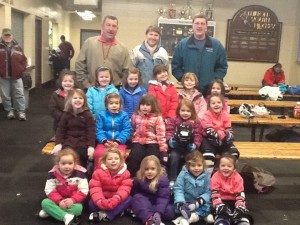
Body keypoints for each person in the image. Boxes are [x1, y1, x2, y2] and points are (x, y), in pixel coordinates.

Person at [172, 14, 228, 96]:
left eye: (202, 24)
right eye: (197, 23)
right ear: (192, 25)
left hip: (210, 92)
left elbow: (222, 67)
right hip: (189, 92)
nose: (199, 26)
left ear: (206, 26)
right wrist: (185, 80)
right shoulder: (183, 45)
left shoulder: (216, 45)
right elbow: (175, 67)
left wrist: (214, 82)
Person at [75, 15, 130, 89]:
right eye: (108, 25)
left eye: (114, 26)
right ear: (102, 26)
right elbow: (79, 65)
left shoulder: (123, 49)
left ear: (117, 29)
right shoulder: (89, 43)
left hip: (113, 91)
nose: (111, 29)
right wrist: (86, 83)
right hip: (92, 88)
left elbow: (126, 71)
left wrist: (121, 86)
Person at [39, 148, 89, 225]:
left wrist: (73, 200)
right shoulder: (52, 174)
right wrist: (59, 201)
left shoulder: (80, 174)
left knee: (78, 209)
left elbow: (84, 190)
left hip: (72, 203)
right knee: (45, 202)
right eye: (63, 163)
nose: (66, 166)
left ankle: (52, 212)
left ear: (75, 163)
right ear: (58, 164)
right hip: (57, 201)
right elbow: (49, 190)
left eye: (70, 163)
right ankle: (65, 216)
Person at [52, 88, 96, 168]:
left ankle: (81, 175)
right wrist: (58, 143)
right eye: (75, 98)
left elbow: (91, 132)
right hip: (68, 140)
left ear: (84, 101)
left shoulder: (88, 115)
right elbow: (60, 130)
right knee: (67, 155)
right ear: (70, 100)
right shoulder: (66, 114)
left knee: (80, 155)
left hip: (83, 141)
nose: (78, 100)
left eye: (80, 98)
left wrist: (91, 146)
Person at [126, 94, 167, 177]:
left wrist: (163, 150)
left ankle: (153, 177)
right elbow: (132, 129)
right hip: (138, 140)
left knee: (152, 158)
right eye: (143, 105)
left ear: (153, 106)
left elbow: (161, 134)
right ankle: (132, 177)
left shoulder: (157, 118)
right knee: (135, 157)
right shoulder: (135, 116)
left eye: (148, 105)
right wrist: (130, 140)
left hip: (152, 142)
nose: (145, 107)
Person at [89, 148, 132, 222]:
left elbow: (124, 189)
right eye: (110, 159)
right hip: (103, 198)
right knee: (91, 203)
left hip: (116, 199)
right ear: (104, 161)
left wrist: (115, 199)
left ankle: (107, 215)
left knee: (129, 199)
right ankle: (117, 212)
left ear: (121, 161)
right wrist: (100, 201)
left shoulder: (126, 173)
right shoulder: (97, 172)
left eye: (116, 158)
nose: (113, 161)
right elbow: (95, 188)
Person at [200, 93, 239, 175]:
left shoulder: (225, 115)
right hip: (209, 140)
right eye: (213, 103)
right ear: (209, 105)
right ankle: (208, 177)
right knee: (208, 156)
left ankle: (228, 175)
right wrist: (223, 134)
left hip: (223, 141)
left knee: (234, 153)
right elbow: (209, 131)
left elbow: (229, 131)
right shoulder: (206, 115)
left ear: (222, 104)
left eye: (219, 102)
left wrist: (224, 135)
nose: (216, 105)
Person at [166, 99, 203, 184]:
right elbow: (169, 131)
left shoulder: (195, 122)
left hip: (189, 147)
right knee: (174, 158)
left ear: (192, 112)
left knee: (191, 160)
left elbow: (198, 134)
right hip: (176, 147)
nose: (185, 113)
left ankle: (189, 179)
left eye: (188, 111)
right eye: (183, 110)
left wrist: (195, 145)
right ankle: (172, 179)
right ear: (178, 110)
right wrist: (170, 141)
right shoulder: (173, 120)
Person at [172, 151, 214, 225]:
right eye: (193, 165)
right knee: (177, 209)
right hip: (187, 201)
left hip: (200, 202)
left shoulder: (206, 175)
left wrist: (199, 201)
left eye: (199, 165)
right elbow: (178, 189)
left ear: (203, 165)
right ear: (188, 166)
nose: (196, 168)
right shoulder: (183, 174)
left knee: (207, 207)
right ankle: (193, 216)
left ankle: (189, 219)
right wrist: (181, 202)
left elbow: (208, 191)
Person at [131, 155, 175, 225]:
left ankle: (146, 214)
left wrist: (158, 212)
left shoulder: (162, 180)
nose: (149, 172)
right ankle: (150, 220)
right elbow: (135, 193)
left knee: (169, 212)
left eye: (152, 169)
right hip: (145, 201)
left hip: (157, 202)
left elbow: (163, 198)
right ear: (142, 170)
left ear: (158, 169)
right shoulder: (139, 179)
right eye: (146, 169)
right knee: (137, 198)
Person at [211, 154, 253, 225]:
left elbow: (240, 194)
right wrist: (219, 205)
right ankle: (222, 220)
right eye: (223, 165)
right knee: (221, 217)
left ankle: (241, 220)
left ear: (234, 169)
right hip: (222, 201)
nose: (226, 168)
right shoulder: (215, 176)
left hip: (234, 200)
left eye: (229, 166)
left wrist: (240, 207)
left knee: (243, 217)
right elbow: (215, 194)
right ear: (218, 167)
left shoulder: (238, 178)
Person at [95, 93, 131, 170]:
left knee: (119, 155)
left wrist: (118, 141)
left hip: (119, 142)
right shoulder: (102, 115)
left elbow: (126, 130)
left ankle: (119, 175)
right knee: (99, 154)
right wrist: (104, 141)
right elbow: (99, 130)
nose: (114, 105)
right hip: (105, 142)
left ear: (120, 104)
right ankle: (99, 175)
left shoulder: (124, 115)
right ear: (106, 105)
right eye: (111, 103)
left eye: (116, 103)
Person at [0, 28, 27, 121]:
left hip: (17, 75)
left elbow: (24, 60)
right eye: (6, 35)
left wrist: (22, 69)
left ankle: (21, 112)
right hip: (3, 76)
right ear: (2, 36)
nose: (8, 37)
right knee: (5, 95)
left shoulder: (18, 47)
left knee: (19, 93)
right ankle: (9, 111)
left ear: (12, 36)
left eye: (9, 35)